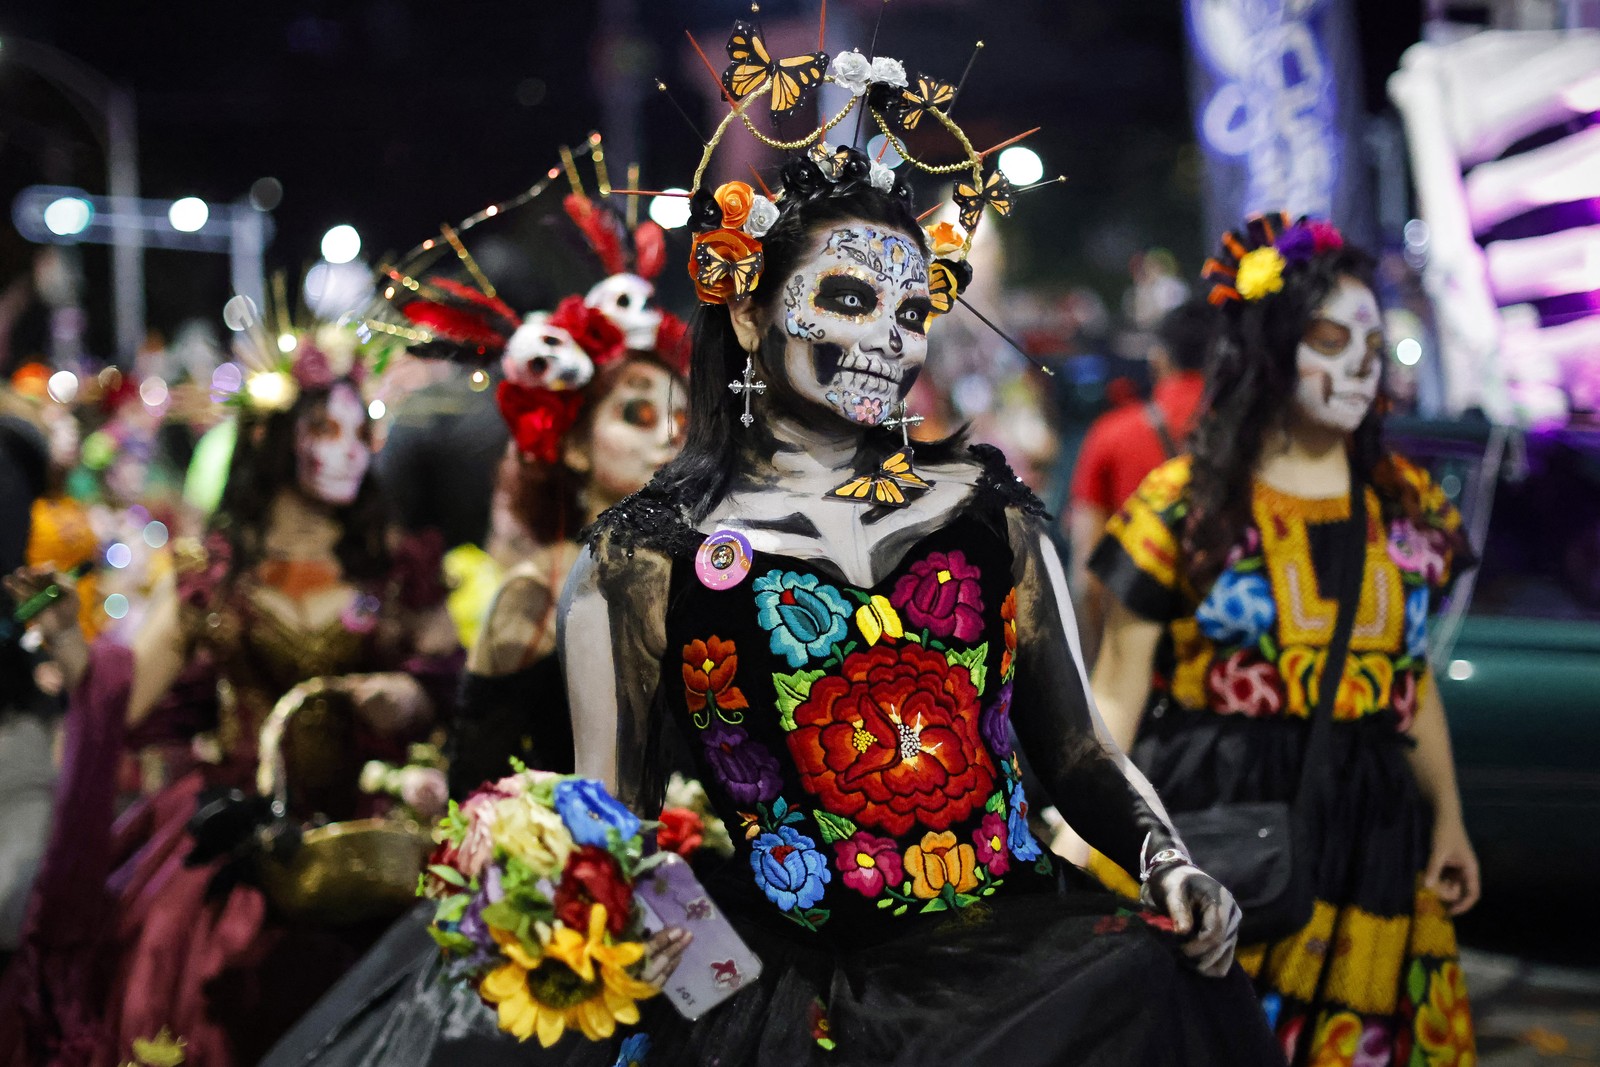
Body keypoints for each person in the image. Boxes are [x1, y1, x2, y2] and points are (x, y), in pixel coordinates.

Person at [553, 94, 1281, 1057]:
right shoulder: (641, 561)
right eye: (850, 299)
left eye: (912, 310)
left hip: (1030, 997)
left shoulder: (988, 513)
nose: (892, 338)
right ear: (746, 309)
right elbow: (615, 832)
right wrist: (697, 985)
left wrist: (1168, 865)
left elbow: (1080, 756)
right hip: (796, 1018)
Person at [259, 203, 691, 1067]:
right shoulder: (531, 597)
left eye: (682, 415)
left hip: (697, 913)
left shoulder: (711, 578)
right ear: (570, 446)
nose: (672, 436)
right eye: (638, 415)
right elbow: (473, 794)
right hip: (557, 937)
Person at [0, 330, 461, 1067]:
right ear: (275, 439)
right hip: (234, 844)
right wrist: (66, 645)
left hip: (376, 847)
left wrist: (410, 694)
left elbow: (454, 685)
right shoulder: (211, 579)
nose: (348, 450)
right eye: (322, 428)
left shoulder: (397, 565)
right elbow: (118, 695)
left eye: (359, 430)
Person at [1089, 214, 1480, 1066]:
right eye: (1331, 339)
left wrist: (1448, 816)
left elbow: (1406, 679)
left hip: (1376, 836)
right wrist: (1088, 828)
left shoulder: (1406, 504)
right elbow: (1116, 689)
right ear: (1271, 347)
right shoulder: (1185, 505)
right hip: (1220, 815)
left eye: (1373, 344)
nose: (1359, 365)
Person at [1067, 300, 1212, 661]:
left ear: (1159, 359)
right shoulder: (1255, 435)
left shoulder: (1111, 434)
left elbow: (1087, 580)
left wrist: (1099, 668)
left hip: (1140, 656)